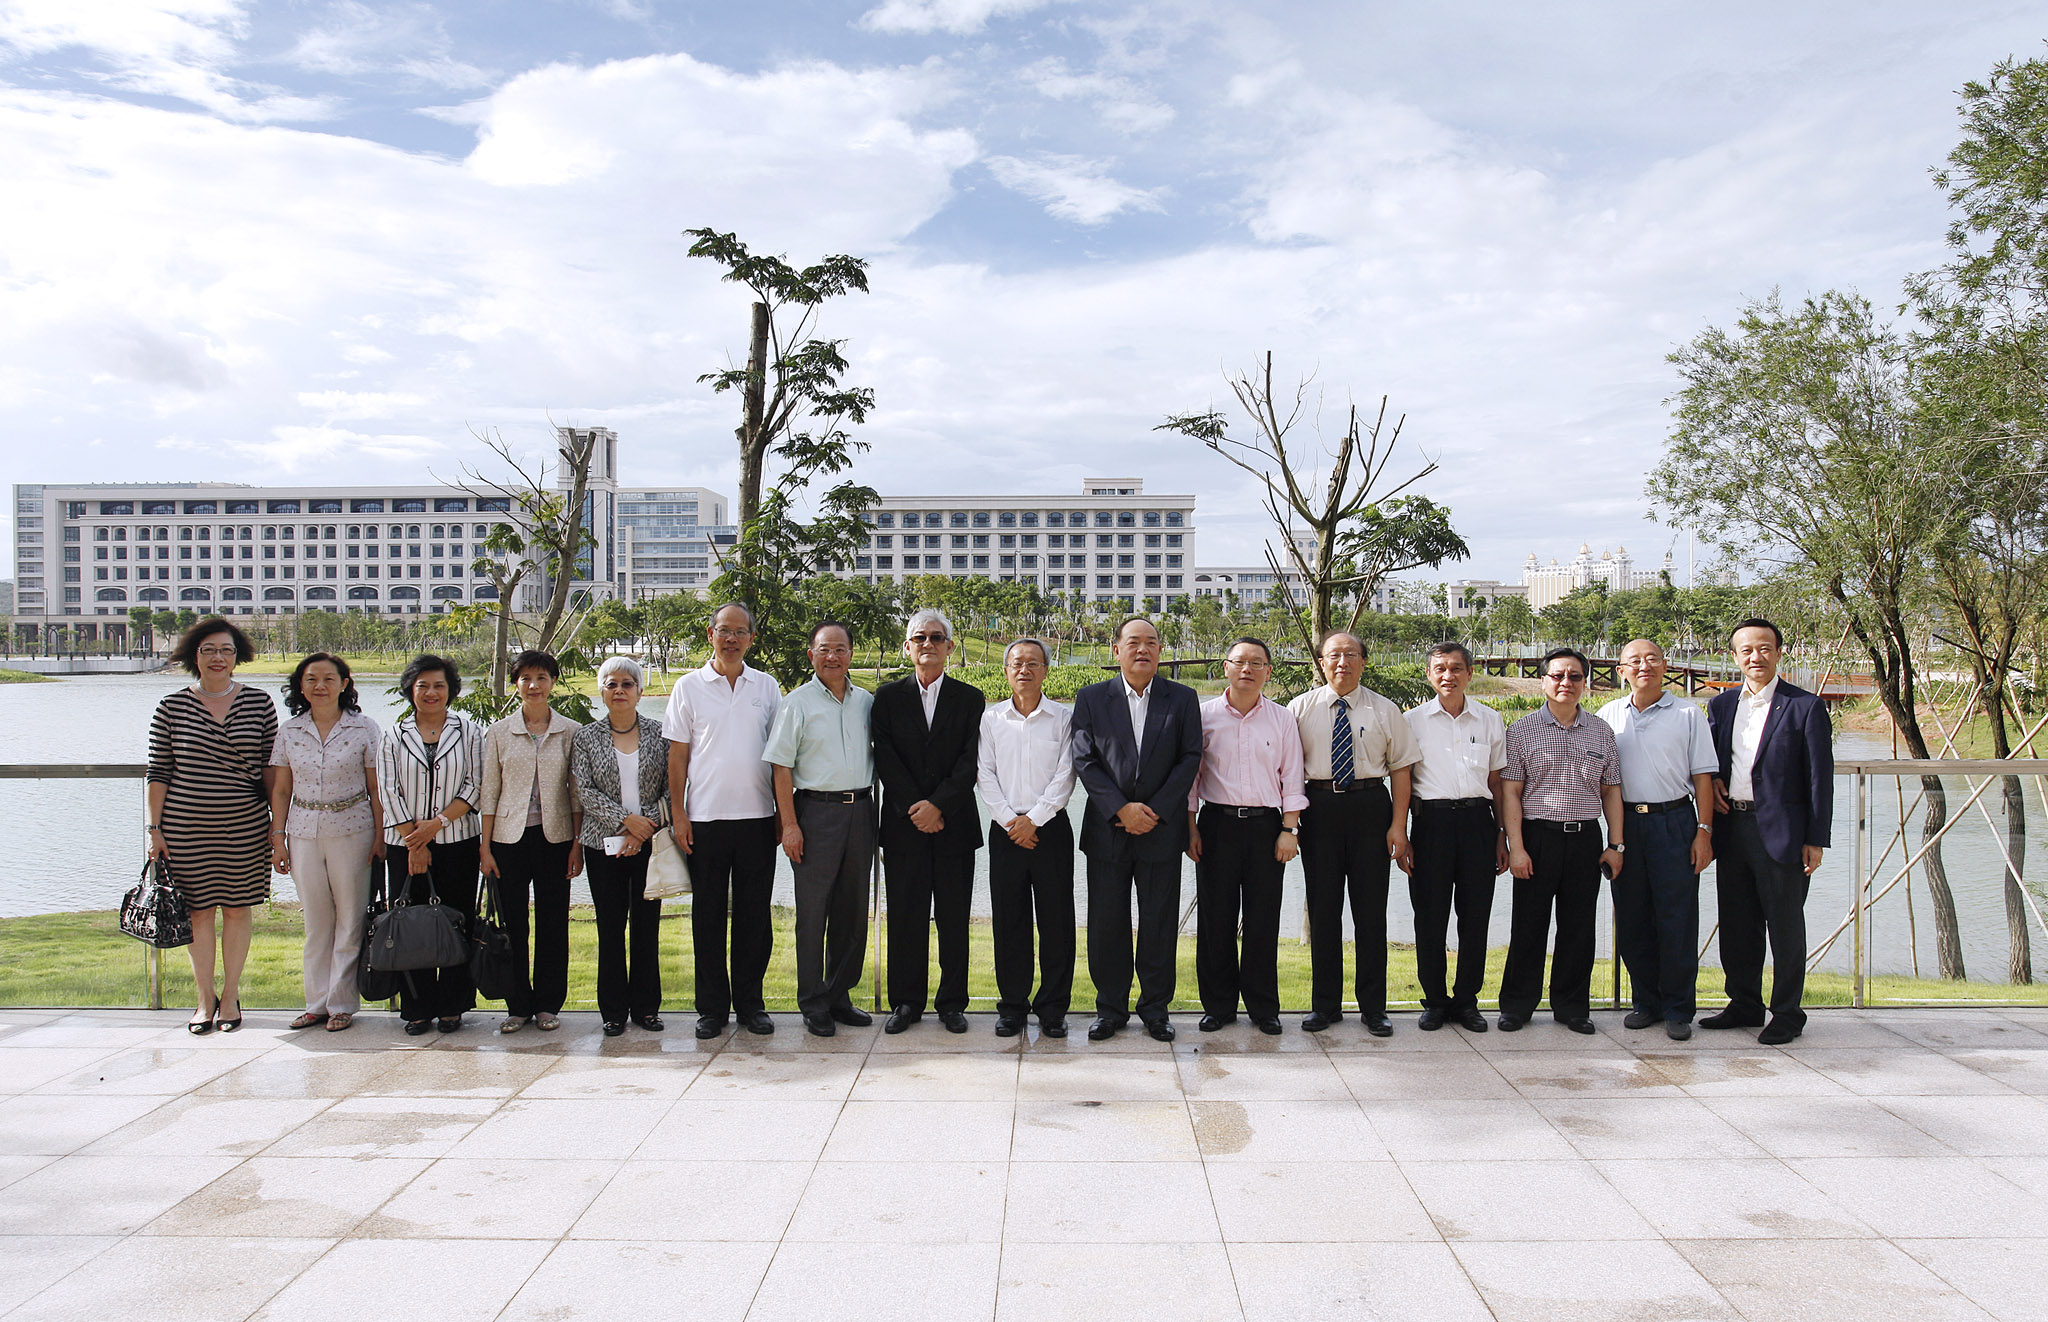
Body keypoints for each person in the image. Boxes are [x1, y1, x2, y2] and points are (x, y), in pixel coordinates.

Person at [1070, 615, 1203, 1042]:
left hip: (1161, 829)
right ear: (1117, 650)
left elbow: (1190, 757)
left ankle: (1155, 1009)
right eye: (1133, 642)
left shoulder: (1182, 698)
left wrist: (1155, 811)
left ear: (1160, 650)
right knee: (1106, 922)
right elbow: (1084, 759)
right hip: (1108, 829)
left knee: (1158, 922)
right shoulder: (1092, 698)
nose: (1142, 649)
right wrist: (1121, 809)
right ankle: (1110, 1008)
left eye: (1151, 642)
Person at [1703, 617, 1833, 1045]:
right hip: (1732, 827)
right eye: (1747, 650)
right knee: (1737, 924)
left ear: (1778, 653)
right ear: (1734, 657)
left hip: (1783, 833)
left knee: (1785, 926)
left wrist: (1815, 839)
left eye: (1764, 648)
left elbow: (1819, 779)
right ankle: (1744, 1004)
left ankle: (1788, 1014)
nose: (1755, 657)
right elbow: (1711, 760)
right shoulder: (1722, 706)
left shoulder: (1805, 706)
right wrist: (1715, 780)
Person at [147, 617, 279, 1035]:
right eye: (208, 650)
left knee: (238, 909)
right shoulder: (171, 707)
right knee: (199, 913)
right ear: (194, 656)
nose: (217, 658)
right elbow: (158, 772)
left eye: (226, 650)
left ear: (237, 656)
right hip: (186, 827)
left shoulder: (259, 703)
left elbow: (271, 769)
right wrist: (154, 830)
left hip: (245, 825)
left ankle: (231, 995)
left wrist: (278, 827)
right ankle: (205, 998)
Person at [1287, 630, 1419, 1036]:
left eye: (1351, 655)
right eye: (1334, 655)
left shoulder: (1385, 709)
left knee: (1370, 912)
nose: (1342, 662)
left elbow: (1401, 770)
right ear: (1321, 662)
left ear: (1363, 661)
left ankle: (1374, 1008)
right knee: (1324, 911)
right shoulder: (1299, 709)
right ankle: (1325, 1006)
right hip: (1319, 808)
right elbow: (1288, 770)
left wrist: (1398, 825)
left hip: (1370, 807)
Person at [665, 602, 782, 1039]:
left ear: (751, 638)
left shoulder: (766, 686)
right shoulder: (688, 687)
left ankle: (751, 1005)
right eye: (724, 631)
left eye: (740, 632)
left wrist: (783, 814)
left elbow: (781, 757)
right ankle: (712, 1009)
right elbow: (678, 756)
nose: (732, 639)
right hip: (704, 820)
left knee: (754, 918)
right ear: (710, 634)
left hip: (758, 818)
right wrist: (679, 814)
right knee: (708, 916)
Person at [1498, 647, 1625, 1034]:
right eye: (1557, 676)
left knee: (1579, 926)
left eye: (1574, 676)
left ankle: (1572, 1007)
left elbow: (1611, 791)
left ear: (1585, 682)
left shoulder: (1602, 731)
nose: (1565, 683)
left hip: (1585, 838)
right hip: (1538, 837)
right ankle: (1517, 1005)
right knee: (1528, 925)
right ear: (1543, 681)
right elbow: (1510, 793)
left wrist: (1616, 845)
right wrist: (1516, 847)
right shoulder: (1521, 730)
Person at [872, 609, 985, 1035]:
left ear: (950, 647)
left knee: (954, 919)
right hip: (904, 827)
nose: (928, 644)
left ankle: (952, 1003)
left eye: (937, 638)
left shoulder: (970, 699)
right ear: (908, 646)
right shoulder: (887, 698)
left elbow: (971, 761)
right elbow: (885, 758)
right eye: (920, 638)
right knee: (906, 917)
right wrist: (916, 807)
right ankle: (906, 1002)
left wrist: (939, 806)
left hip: (955, 825)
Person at [1600, 638, 1718, 1042]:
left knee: (1677, 919)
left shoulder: (1688, 713)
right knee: (1632, 917)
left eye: (1652, 659)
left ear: (1665, 666)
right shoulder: (1608, 715)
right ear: (1621, 671)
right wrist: (1613, 840)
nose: (1644, 666)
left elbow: (1703, 777)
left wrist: (1704, 831)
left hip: (1674, 821)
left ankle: (1678, 1008)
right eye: (1634, 661)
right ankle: (1645, 1002)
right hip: (1626, 826)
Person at [764, 621, 878, 1038]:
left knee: (852, 911)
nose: (833, 657)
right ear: (811, 655)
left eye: (840, 649)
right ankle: (813, 1001)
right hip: (815, 813)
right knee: (813, 914)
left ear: (851, 654)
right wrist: (789, 825)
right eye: (824, 649)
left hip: (861, 812)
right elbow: (781, 766)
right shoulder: (796, 703)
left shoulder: (866, 701)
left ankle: (839, 995)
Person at [1188, 636, 1307, 1036]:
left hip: (1266, 827)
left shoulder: (1282, 718)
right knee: (1215, 919)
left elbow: (1293, 777)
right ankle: (1218, 1006)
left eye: (1257, 663)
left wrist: (1289, 829)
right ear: (1225, 667)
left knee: (1262, 919)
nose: (1247, 669)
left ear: (1268, 672)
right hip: (1216, 825)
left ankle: (1263, 1007)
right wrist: (1191, 828)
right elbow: (1192, 780)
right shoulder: (1203, 716)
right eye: (1239, 662)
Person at [268, 652, 383, 1033]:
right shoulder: (289, 731)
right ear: (300, 686)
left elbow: (376, 788)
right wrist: (278, 838)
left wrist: (381, 836)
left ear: (344, 684)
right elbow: (281, 789)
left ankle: (342, 1004)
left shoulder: (364, 728)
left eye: (329, 679)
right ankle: (316, 1004)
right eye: (311, 679)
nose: (320, 686)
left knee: (350, 919)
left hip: (353, 829)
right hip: (303, 831)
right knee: (317, 922)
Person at [1402, 642, 1509, 1033]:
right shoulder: (1411, 721)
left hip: (1479, 823)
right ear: (1429, 674)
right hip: (1431, 824)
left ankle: (1466, 1001)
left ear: (1470, 673)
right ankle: (1434, 1001)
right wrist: (1403, 834)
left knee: (1475, 916)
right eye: (1440, 669)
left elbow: (1496, 783)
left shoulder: (1489, 720)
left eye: (1456, 668)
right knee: (1429, 917)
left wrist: (1502, 834)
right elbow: (1403, 782)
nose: (1448, 676)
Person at [977, 637, 1078, 1038]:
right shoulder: (991, 719)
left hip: (1050, 829)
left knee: (1057, 922)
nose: (1024, 670)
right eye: (1017, 663)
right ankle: (1013, 1006)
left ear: (1045, 671)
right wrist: (1010, 820)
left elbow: (1067, 774)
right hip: (1005, 831)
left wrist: (1034, 820)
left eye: (1033, 663)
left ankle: (1053, 1009)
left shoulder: (1063, 718)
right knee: (1009, 921)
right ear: (1006, 671)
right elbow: (984, 774)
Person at [377, 654, 484, 1035]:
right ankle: (417, 1007)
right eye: (423, 685)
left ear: (450, 690)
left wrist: (436, 825)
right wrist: (416, 842)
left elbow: (475, 785)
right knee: (410, 923)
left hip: (457, 841)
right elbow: (388, 791)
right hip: (404, 846)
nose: (431, 692)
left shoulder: (470, 732)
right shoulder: (392, 736)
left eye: (439, 685)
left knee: (456, 921)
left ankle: (453, 1004)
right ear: (410, 690)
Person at [477, 650, 583, 1033]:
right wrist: (485, 848)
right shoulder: (498, 732)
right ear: (516, 683)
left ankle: (548, 1005)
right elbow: (489, 793)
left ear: (553, 682)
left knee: (553, 923)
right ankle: (517, 1005)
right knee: (512, 924)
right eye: (525, 678)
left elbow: (576, 794)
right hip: (508, 840)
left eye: (541, 677)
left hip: (556, 838)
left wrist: (577, 845)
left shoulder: (570, 731)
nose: (534, 685)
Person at [573, 656, 670, 1037]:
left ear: (640, 692)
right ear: (601, 692)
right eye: (611, 684)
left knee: (646, 928)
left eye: (627, 684)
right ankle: (613, 1011)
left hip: (649, 844)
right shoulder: (585, 737)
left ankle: (646, 1009)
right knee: (610, 929)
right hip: (602, 846)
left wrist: (641, 830)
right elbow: (584, 790)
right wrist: (625, 822)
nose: (619, 691)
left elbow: (672, 788)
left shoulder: (660, 734)